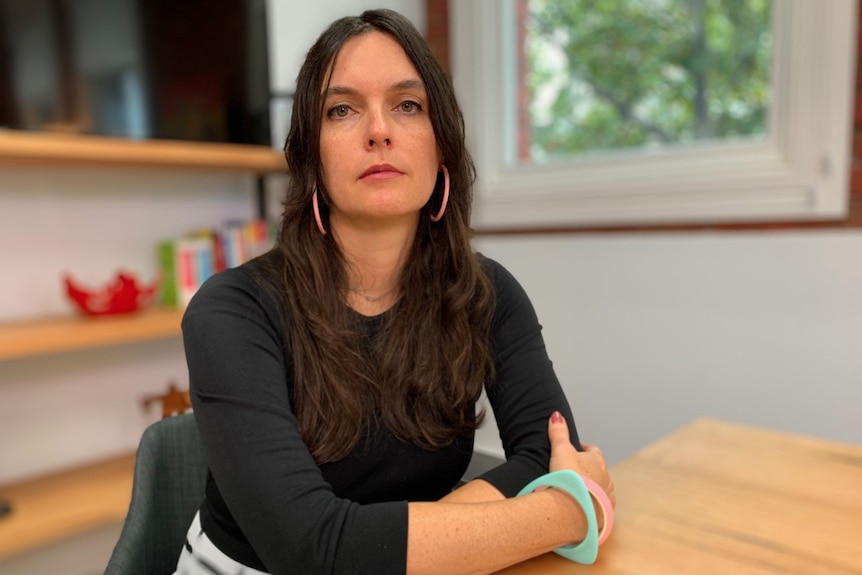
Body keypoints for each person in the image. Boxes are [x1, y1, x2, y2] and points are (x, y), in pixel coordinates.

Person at [174, 8, 615, 575]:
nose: (378, 130)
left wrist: (405, 539)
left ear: (442, 146)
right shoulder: (232, 311)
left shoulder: (488, 292)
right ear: (312, 158)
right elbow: (312, 549)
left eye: (408, 105)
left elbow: (549, 455)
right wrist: (570, 514)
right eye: (341, 110)